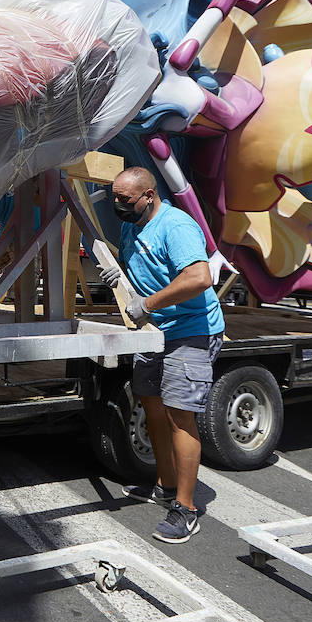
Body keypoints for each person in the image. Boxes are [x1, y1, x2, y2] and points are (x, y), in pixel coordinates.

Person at [100, 166, 224, 544]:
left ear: (149, 195)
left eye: (126, 199)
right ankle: (166, 486)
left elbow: (200, 278)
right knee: (152, 408)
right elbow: (143, 265)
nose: (118, 205)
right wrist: (115, 271)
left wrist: (148, 304)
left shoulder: (177, 226)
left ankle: (185, 509)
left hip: (191, 332)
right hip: (154, 333)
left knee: (179, 416)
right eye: (115, 197)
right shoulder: (132, 224)